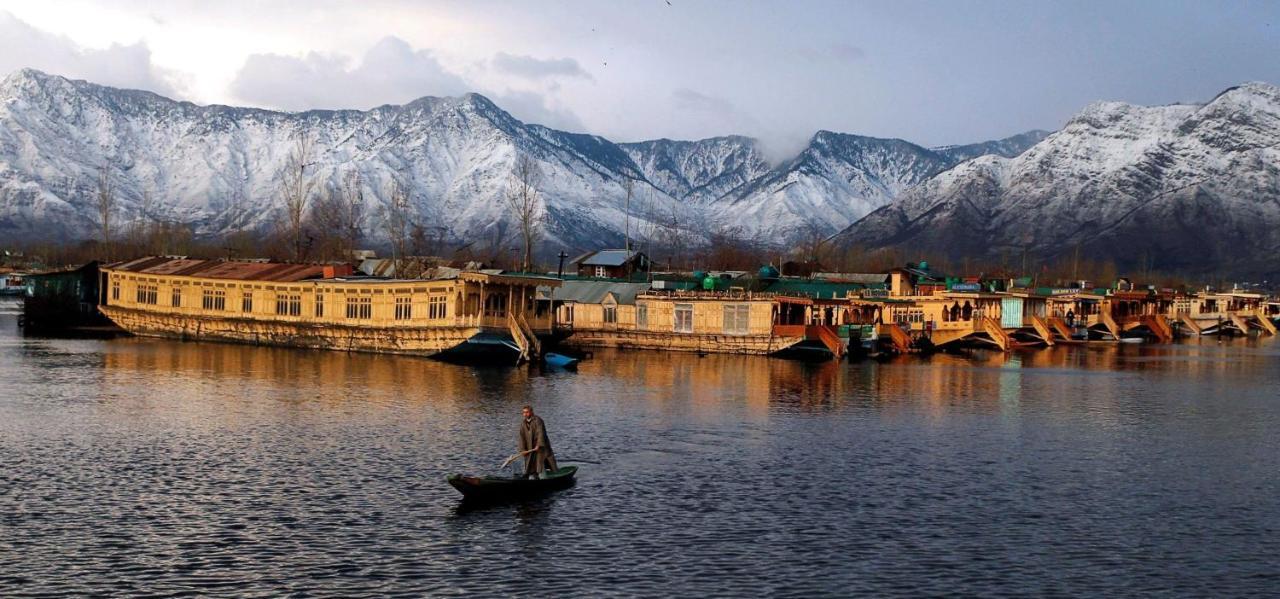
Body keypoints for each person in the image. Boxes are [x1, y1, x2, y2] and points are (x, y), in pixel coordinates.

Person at [519, 405, 558, 479]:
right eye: (524, 412)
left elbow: (541, 433)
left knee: (541, 461)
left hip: (541, 446)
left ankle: (549, 475)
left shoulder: (538, 420)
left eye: (527, 412)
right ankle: (532, 475)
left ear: (531, 412)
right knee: (530, 461)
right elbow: (522, 437)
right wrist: (523, 450)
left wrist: (538, 445)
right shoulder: (523, 423)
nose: (525, 414)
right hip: (530, 446)